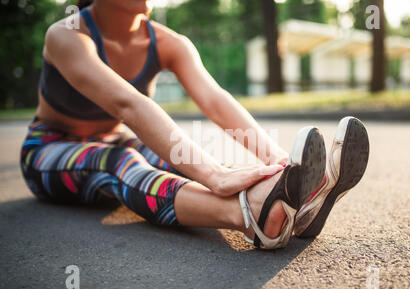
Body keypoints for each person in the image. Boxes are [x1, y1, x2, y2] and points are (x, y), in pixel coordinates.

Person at [20, 0, 369, 250]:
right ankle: (250, 216)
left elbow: (215, 101)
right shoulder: (65, 35)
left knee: (181, 158)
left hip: (114, 138)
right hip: (49, 149)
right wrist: (214, 176)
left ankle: (288, 196)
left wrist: (284, 164)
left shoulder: (167, 42)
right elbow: (128, 104)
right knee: (122, 164)